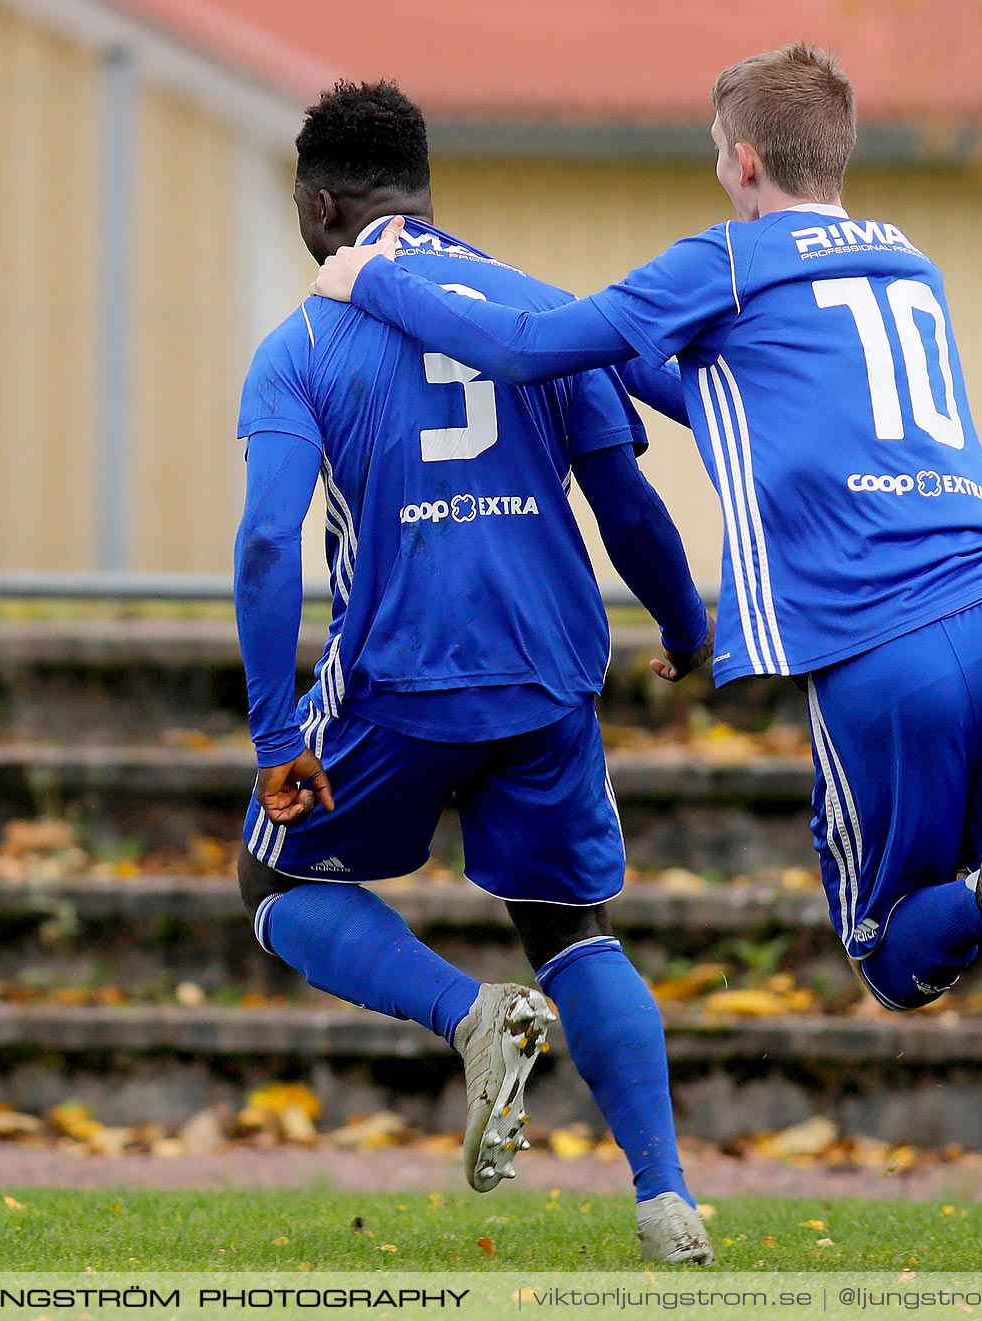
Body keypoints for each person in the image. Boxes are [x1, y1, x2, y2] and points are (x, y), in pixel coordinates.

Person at [311, 44, 982, 1254]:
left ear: (743, 157)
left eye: (717, 149)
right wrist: (611, 342)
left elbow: (528, 348)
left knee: (891, 956)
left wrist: (372, 279)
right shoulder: (908, 260)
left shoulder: (726, 259)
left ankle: (977, 897)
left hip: (883, 650)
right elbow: (727, 392)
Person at [233, 80, 717, 1264]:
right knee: (572, 926)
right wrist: (686, 624)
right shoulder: (543, 313)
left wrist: (272, 732)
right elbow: (629, 505)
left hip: (400, 675)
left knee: (272, 887)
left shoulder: (302, 341)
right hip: (549, 673)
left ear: (320, 206)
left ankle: (468, 1014)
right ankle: (667, 1202)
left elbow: (263, 544)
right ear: (427, 191)